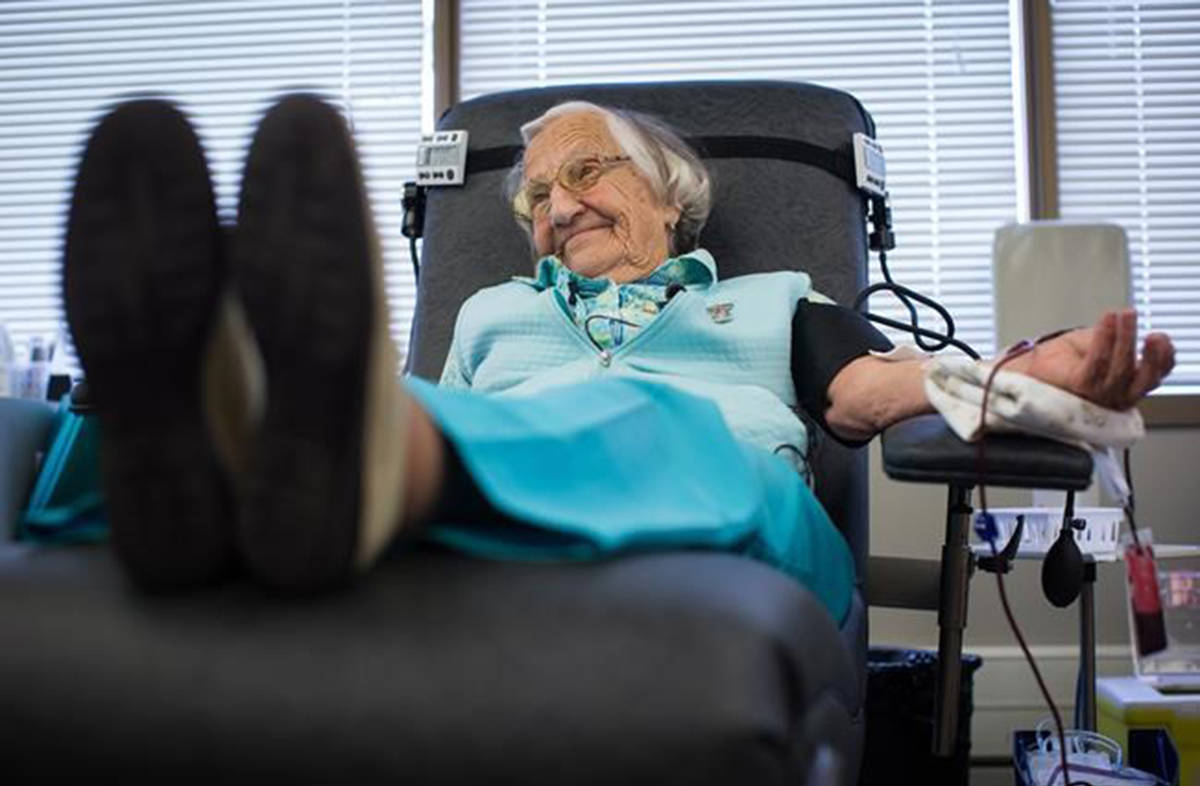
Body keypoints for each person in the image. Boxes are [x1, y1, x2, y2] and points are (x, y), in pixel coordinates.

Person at [63, 95, 1175, 624]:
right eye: (537, 196)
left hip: (716, 497)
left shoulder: (772, 301)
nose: (557, 205)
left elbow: (880, 393)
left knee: (642, 415)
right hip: (462, 473)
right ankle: (151, 455)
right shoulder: (495, 311)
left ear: (668, 191)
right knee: (44, 429)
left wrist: (1032, 379)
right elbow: (436, 408)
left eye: (587, 171)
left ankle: (276, 457)